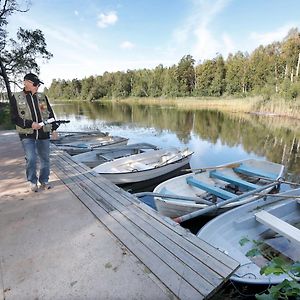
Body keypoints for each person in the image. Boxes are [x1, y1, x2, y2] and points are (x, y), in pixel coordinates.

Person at [10, 73, 59, 192]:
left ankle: (44, 181)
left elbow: (49, 114)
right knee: (31, 158)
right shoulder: (16, 97)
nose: (37, 87)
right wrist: (30, 124)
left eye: (38, 84)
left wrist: (54, 129)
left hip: (43, 133)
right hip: (27, 134)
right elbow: (14, 118)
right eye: (35, 84)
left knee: (45, 159)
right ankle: (32, 181)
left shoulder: (42, 97)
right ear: (26, 82)